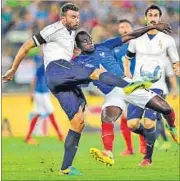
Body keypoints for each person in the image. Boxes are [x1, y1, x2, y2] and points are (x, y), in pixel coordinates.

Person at [1, 3, 172, 175]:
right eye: (72, 17)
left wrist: (152, 27)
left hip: (62, 80)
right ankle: (128, 89)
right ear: (63, 18)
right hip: (58, 69)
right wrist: (13, 69)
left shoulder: (83, 40)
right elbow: (26, 46)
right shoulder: (54, 30)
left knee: (78, 121)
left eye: (77, 17)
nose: (76, 20)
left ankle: (65, 168)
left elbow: (128, 36)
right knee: (97, 76)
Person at [73, 28, 178, 167]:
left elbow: (129, 35)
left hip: (128, 85)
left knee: (165, 108)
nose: (89, 42)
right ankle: (108, 153)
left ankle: (171, 126)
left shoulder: (104, 46)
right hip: (111, 93)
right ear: (78, 47)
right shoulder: (78, 61)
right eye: (84, 41)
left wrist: (153, 27)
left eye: (89, 38)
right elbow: (73, 79)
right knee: (107, 118)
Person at [123, 5, 180, 166]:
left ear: (160, 18)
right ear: (146, 18)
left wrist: (177, 67)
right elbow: (127, 57)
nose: (153, 17)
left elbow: (176, 60)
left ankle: (148, 158)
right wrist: (127, 70)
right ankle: (150, 136)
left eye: (156, 15)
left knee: (149, 123)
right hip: (137, 86)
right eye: (150, 15)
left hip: (157, 86)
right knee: (132, 124)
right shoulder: (136, 39)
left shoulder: (167, 40)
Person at [113, 19, 146, 156]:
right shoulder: (115, 49)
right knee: (124, 117)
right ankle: (129, 148)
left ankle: (143, 146)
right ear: (119, 30)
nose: (125, 29)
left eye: (127, 26)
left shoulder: (138, 45)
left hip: (138, 84)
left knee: (137, 117)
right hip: (122, 86)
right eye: (122, 27)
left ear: (132, 29)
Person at [26, 63, 64, 145]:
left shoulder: (48, 67)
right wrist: (31, 93)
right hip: (40, 93)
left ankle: (60, 135)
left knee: (44, 113)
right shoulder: (43, 66)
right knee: (47, 113)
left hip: (43, 93)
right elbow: (34, 79)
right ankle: (60, 135)